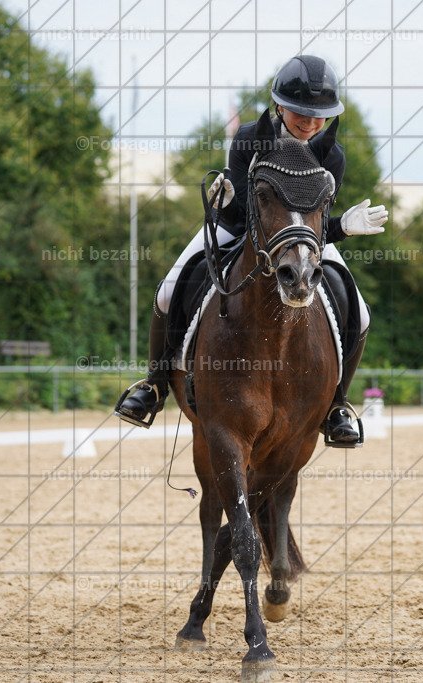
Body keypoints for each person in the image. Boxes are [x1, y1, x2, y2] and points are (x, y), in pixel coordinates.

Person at [116, 55, 387, 446]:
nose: (310, 123)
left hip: (302, 245)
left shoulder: (332, 155)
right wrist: (223, 203)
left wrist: (340, 228)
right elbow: (246, 214)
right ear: (279, 105)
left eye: (319, 116)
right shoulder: (249, 138)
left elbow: (312, 224)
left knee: (359, 314)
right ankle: (154, 386)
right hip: (238, 230)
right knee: (169, 289)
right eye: (300, 113)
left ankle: (337, 404)